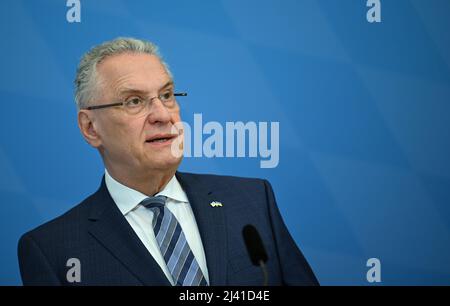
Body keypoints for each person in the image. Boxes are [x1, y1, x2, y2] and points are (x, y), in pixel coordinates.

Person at [17, 37, 318, 286]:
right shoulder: (53, 250)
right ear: (90, 128)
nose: (163, 115)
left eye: (167, 95)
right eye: (134, 101)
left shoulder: (252, 202)